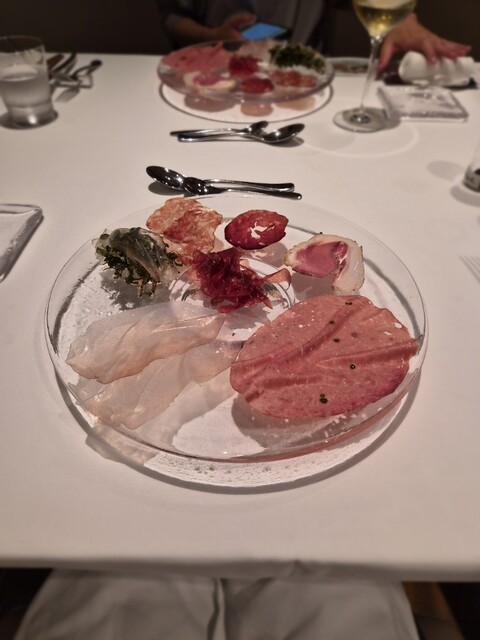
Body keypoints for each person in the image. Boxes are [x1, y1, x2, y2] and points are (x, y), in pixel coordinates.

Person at [156, 0, 471, 73]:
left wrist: (402, 21)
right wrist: (214, 35)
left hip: (308, 76)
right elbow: (172, 19)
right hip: (218, 73)